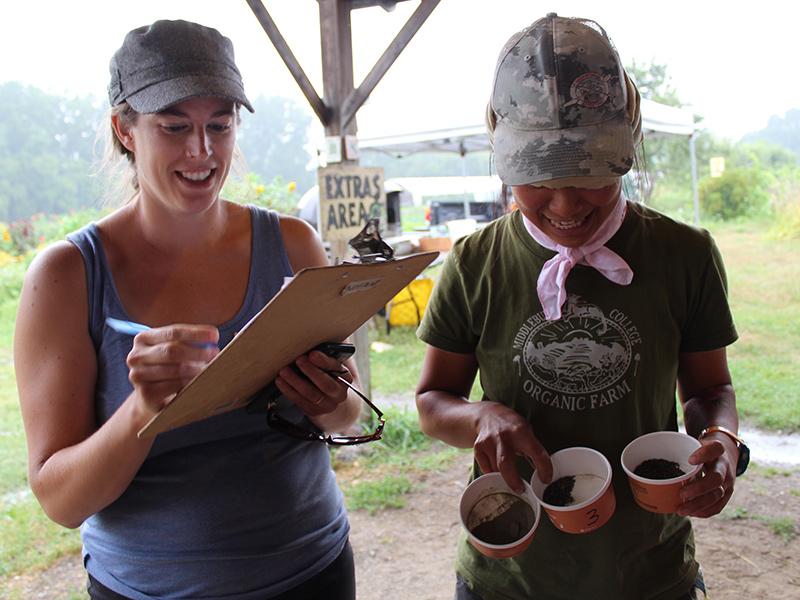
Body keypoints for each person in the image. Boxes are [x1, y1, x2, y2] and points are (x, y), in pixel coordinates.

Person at [14, 19, 367, 600]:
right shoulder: (67, 276)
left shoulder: (294, 246)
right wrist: (142, 411)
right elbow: (60, 500)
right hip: (148, 589)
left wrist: (332, 403)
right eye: (174, 127)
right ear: (124, 130)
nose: (200, 152)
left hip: (313, 570)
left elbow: (345, 418)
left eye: (219, 126)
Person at [415, 13, 747, 600]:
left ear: (627, 142)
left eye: (591, 173)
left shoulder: (683, 255)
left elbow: (708, 391)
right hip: (513, 571)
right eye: (538, 176)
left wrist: (719, 441)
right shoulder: (474, 263)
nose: (565, 203)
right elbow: (432, 402)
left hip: (649, 570)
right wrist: (482, 417)